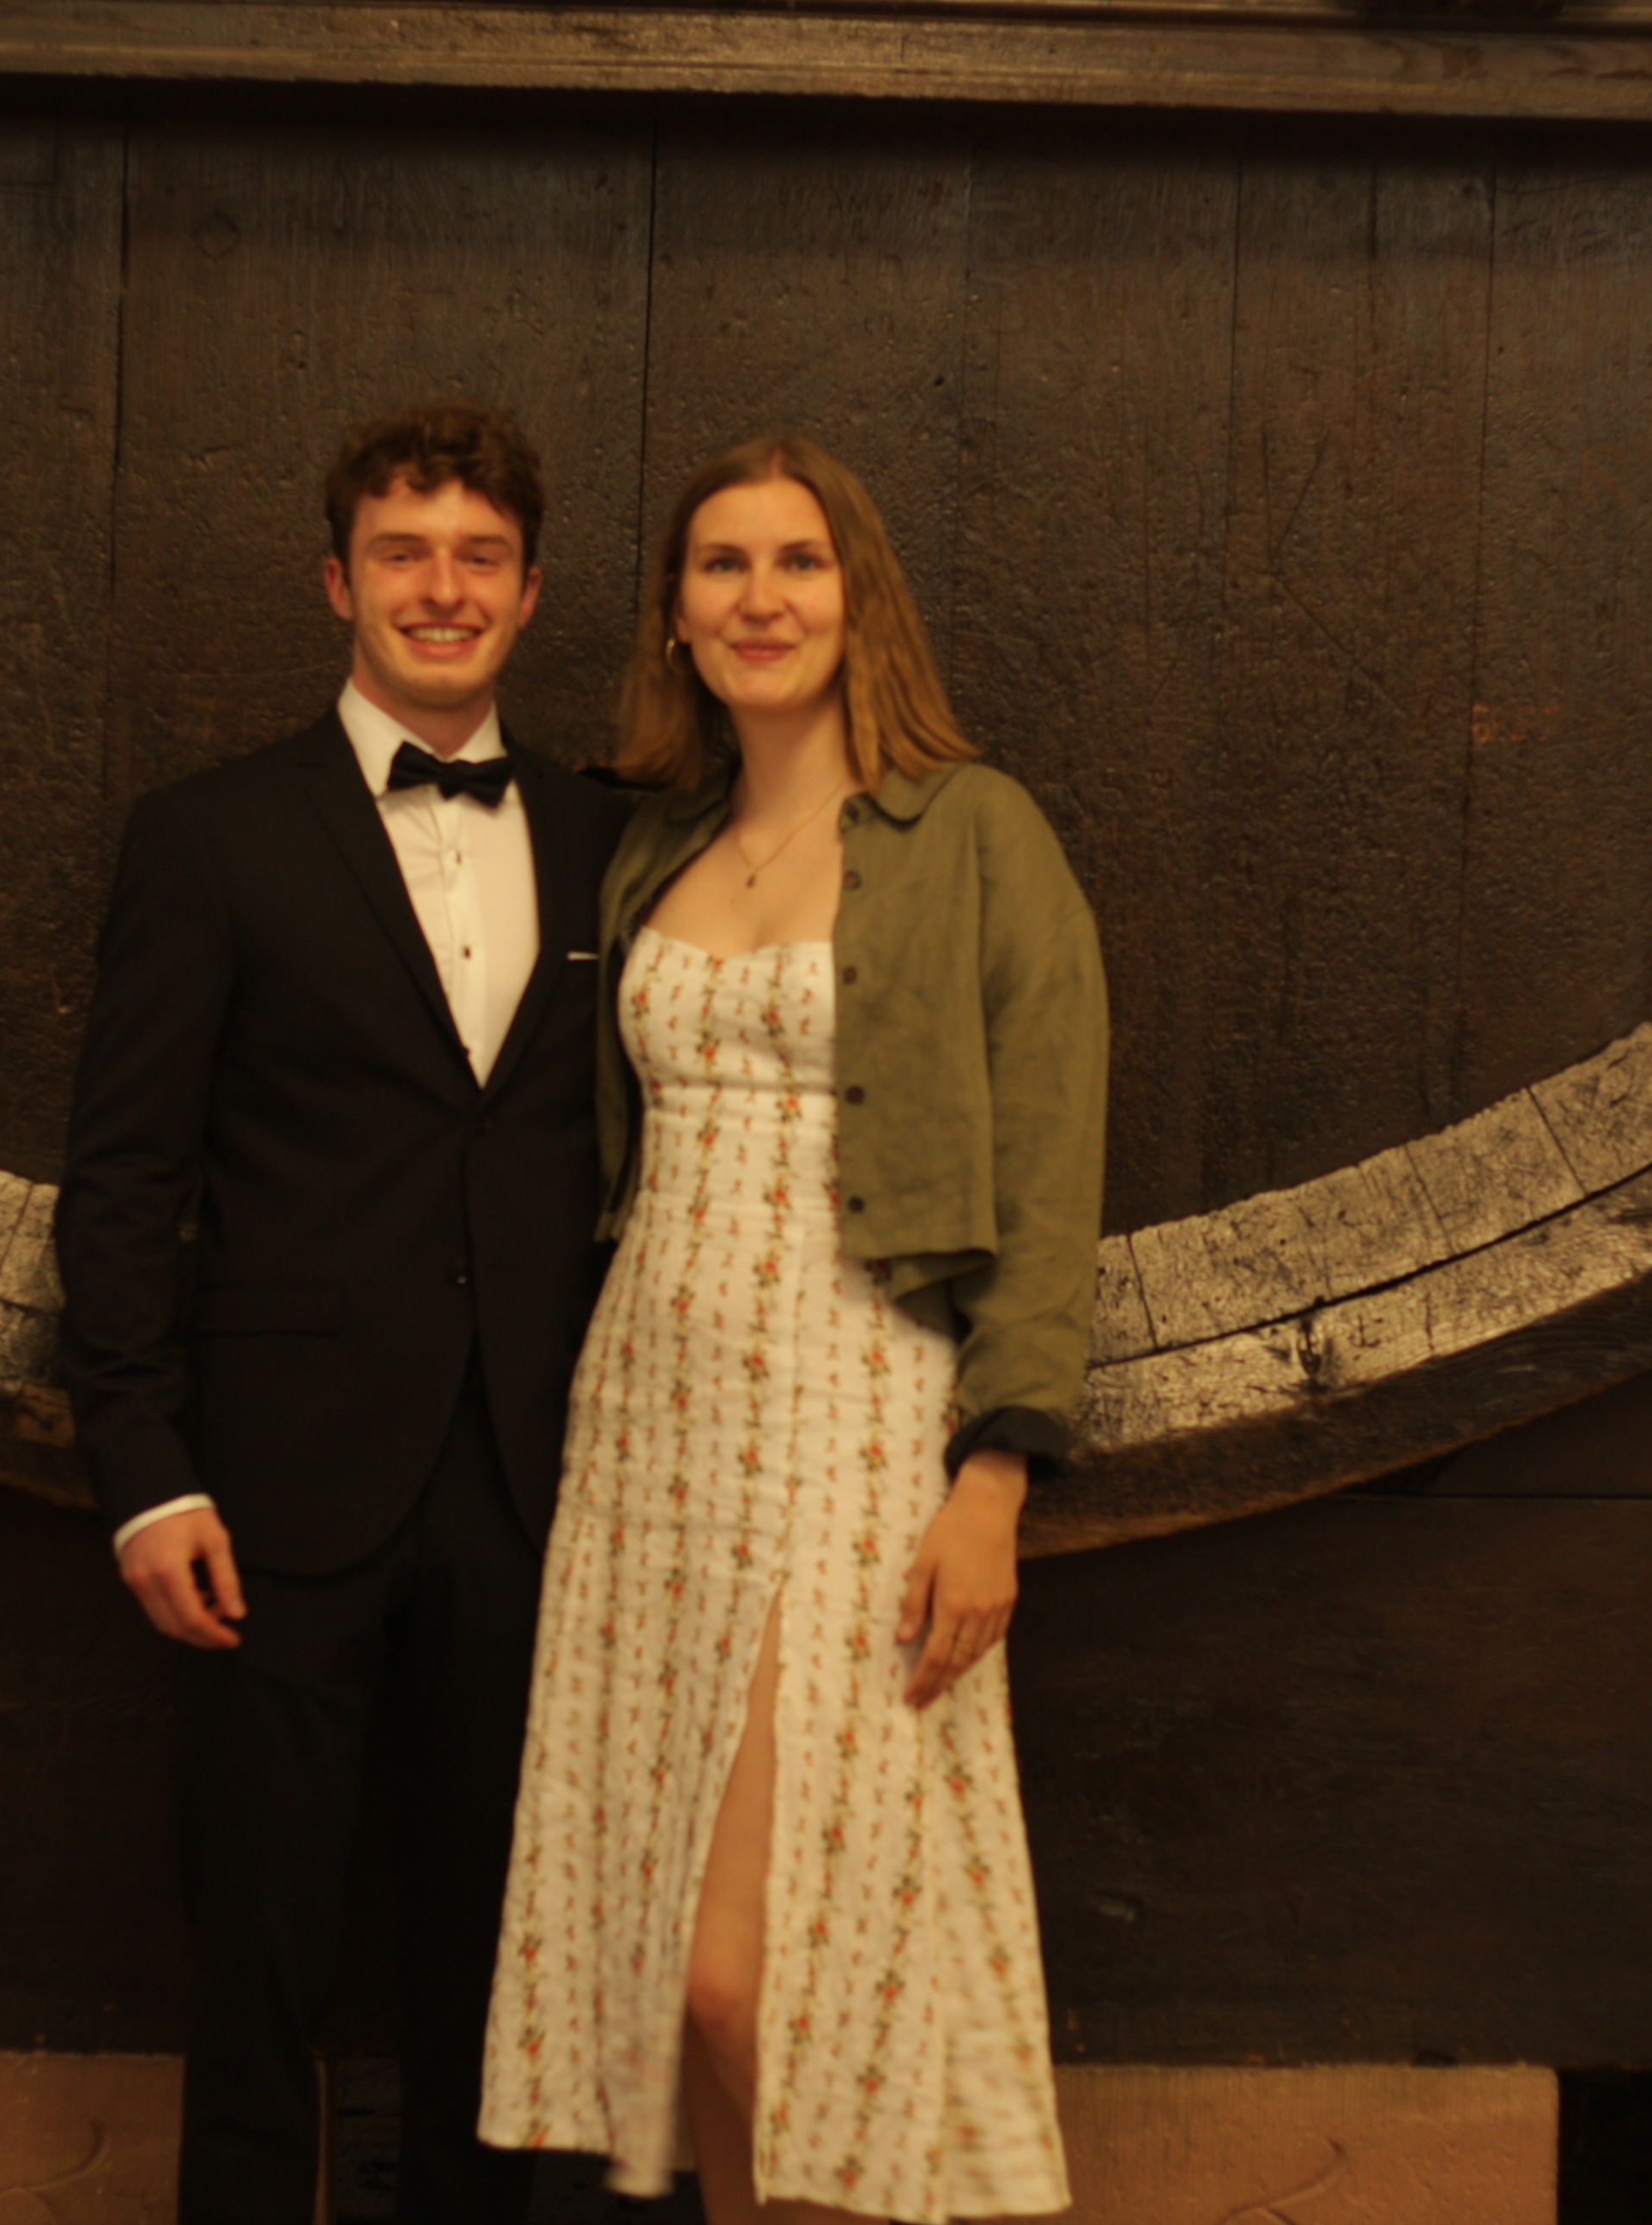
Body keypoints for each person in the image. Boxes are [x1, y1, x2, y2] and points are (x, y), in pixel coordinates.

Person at [480, 434, 1105, 2224]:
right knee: (670, 1976)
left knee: (761, 1976)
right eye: (724, 566)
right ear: (675, 618)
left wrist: (997, 1473)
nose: (762, 599)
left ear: (859, 599)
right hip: (647, 1428)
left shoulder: (973, 830)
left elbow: (1053, 1158)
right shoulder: (652, 845)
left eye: (800, 563)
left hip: (854, 1411)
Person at [54, 401, 627, 2224]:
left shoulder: (619, 838)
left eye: (477, 557)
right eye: (403, 553)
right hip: (269, 1496)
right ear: (337, 582)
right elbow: (123, 1180)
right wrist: (143, 1469)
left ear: (530, 594)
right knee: (257, 1962)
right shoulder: (207, 837)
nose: (439, 589)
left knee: (499, 1982)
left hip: (534, 1488)